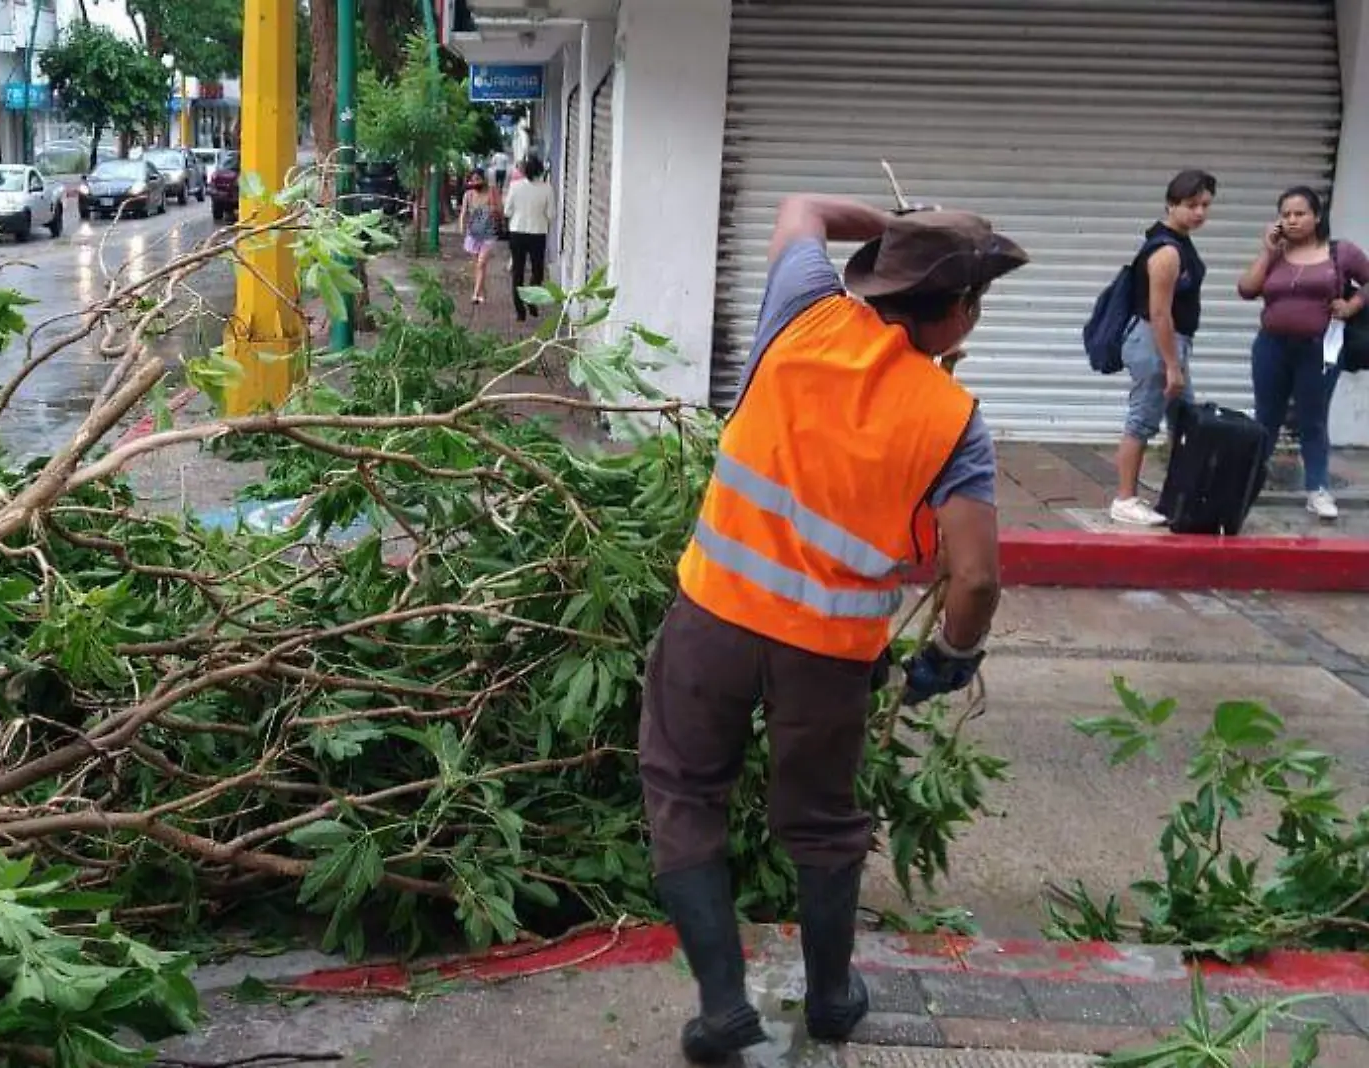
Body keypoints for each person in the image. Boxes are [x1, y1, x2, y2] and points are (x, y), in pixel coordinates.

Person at [638, 195, 1023, 1062]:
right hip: (830, 658)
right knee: (820, 821)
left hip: (713, 620)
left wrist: (888, 219)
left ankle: (724, 1003)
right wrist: (951, 656)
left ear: (880, 279)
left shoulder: (801, 310)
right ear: (957, 312)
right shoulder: (953, 421)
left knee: (685, 793)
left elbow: (803, 207)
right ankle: (832, 997)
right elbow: (976, 579)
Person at [1236, 185, 1368, 521]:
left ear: (1317, 216)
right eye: (1286, 215)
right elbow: (1246, 289)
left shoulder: (1341, 253)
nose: (1293, 220)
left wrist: (1353, 304)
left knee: (1313, 419)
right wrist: (1267, 251)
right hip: (1272, 346)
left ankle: (1318, 489)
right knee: (1267, 416)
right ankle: (1247, 483)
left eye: (1300, 213)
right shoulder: (1276, 254)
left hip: (1319, 349)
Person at [1111, 170, 1217, 526]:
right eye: (1191, 205)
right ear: (1171, 204)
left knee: (1183, 420)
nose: (1199, 212)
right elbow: (1159, 312)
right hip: (1155, 343)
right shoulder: (1167, 251)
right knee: (1142, 419)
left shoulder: (1179, 241)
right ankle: (1124, 499)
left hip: (1171, 344)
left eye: (1205, 205)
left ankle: (1179, 493)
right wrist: (1172, 365)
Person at [502, 156, 554, 322]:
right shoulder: (547, 189)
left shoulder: (515, 187)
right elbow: (551, 214)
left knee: (518, 271)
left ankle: (520, 312)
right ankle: (532, 300)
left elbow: (507, 211)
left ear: (524, 171)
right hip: (538, 233)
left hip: (517, 232)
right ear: (540, 170)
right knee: (537, 271)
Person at [458, 170, 502, 305]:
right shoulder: (468, 195)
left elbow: (500, 210)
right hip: (473, 234)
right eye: (472, 180)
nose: (475, 182)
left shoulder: (491, 192)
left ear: (484, 180)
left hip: (489, 233)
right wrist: (461, 226)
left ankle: (475, 294)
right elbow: (463, 213)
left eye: (478, 179)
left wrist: (494, 210)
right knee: (477, 266)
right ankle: (482, 291)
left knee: (481, 263)